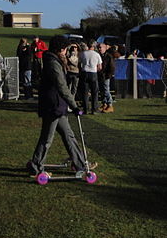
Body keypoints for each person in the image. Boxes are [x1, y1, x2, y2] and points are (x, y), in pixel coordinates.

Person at [26, 35, 94, 176]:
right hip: (53, 105)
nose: (66, 52)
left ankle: (80, 164)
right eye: (65, 49)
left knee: (69, 136)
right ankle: (36, 165)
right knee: (47, 138)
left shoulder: (55, 60)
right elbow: (62, 86)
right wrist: (74, 106)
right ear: (60, 49)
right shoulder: (53, 63)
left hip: (59, 105)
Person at [79, 41, 102, 114]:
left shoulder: (83, 53)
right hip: (93, 73)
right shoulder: (97, 54)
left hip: (84, 72)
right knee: (94, 92)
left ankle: (85, 109)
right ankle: (94, 109)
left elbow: (80, 63)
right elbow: (100, 67)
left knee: (85, 92)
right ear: (93, 46)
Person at [98, 42, 116, 112]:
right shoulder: (99, 55)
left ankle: (110, 105)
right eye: (99, 47)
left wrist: (108, 75)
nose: (99, 49)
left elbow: (112, 67)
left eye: (101, 47)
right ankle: (104, 104)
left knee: (106, 90)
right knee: (102, 90)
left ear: (105, 48)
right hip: (100, 75)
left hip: (105, 76)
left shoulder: (108, 56)